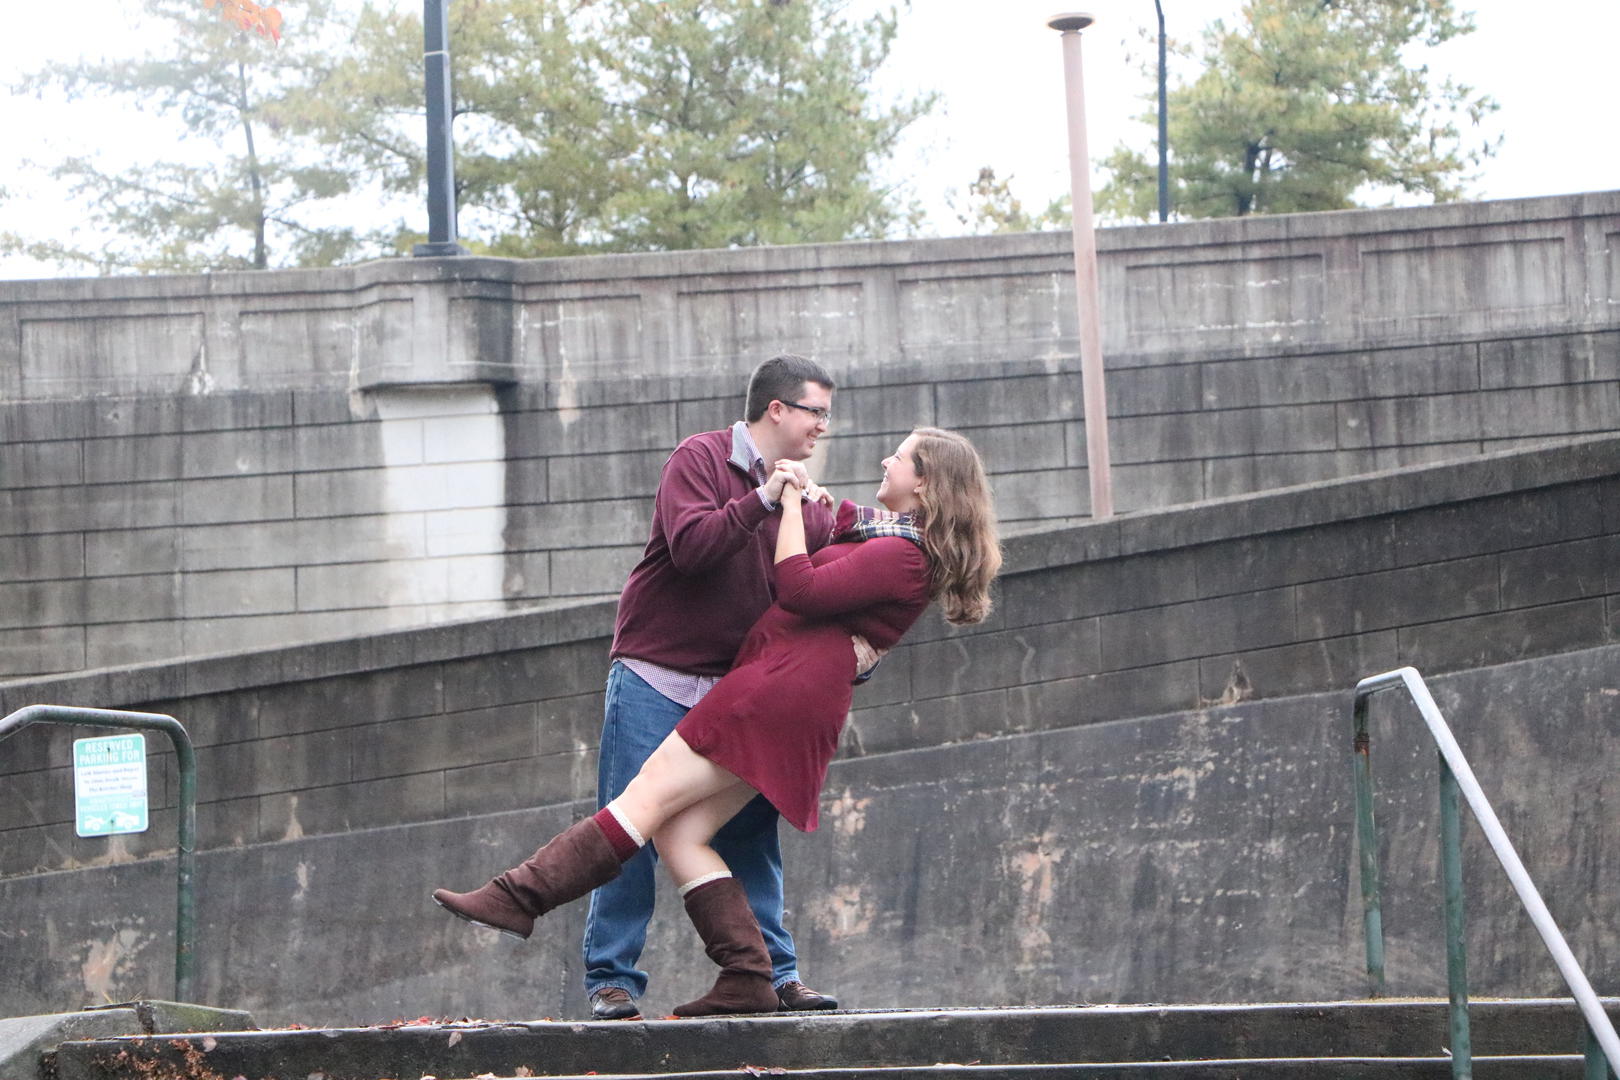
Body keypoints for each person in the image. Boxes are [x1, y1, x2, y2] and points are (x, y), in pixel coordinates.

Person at [433, 427, 1002, 1017]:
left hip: (773, 694)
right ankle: (748, 975)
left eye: (902, 457)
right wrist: (805, 495)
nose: (888, 459)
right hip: (787, 696)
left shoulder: (903, 554)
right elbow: (841, 528)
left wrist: (783, 503)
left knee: (643, 800)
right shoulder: (891, 538)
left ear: (927, 482)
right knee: (680, 834)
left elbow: (799, 587)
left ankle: (517, 897)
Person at [580, 354, 843, 1020]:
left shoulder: (803, 503)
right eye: (817, 412)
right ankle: (612, 980)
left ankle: (777, 975)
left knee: (750, 832)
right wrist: (764, 500)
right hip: (654, 676)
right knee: (629, 825)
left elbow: (811, 587)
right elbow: (694, 547)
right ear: (777, 410)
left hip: (737, 691)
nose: (823, 428)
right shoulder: (698, 459)